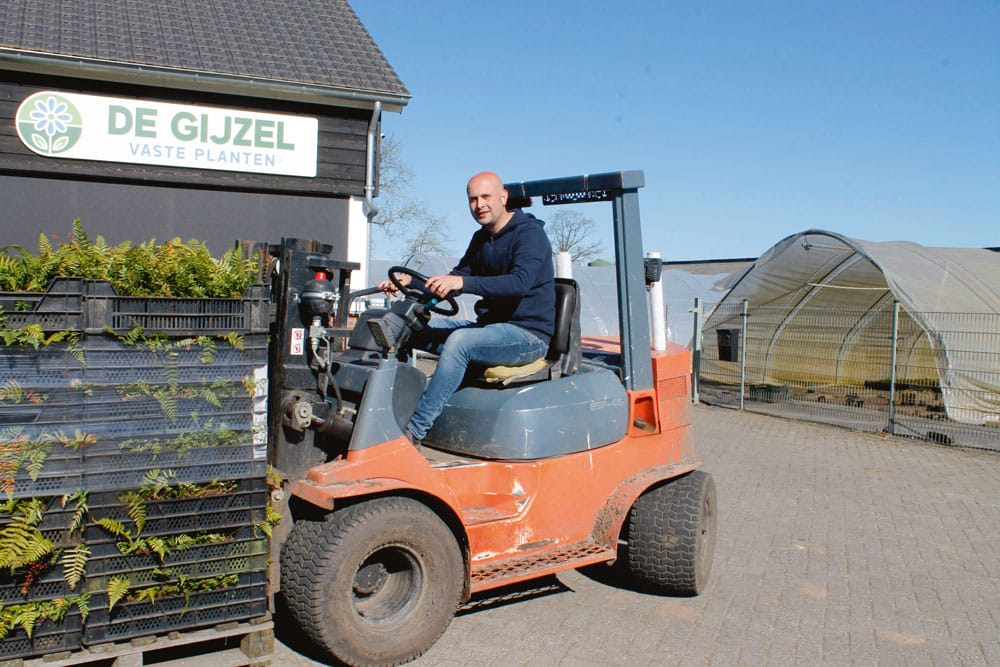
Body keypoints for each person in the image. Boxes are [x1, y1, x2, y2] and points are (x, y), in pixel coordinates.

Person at [382, 171, 555, 447]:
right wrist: (411, 281)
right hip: (489, 331)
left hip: (527, 335)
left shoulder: (530, 235)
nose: (479, 205)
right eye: (473, 199)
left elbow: (519, 283)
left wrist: (462, 281)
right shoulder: (481, 239)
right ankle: (388, 412)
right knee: (407, 329)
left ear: (503, 197)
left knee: (460, 342)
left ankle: (414, 432)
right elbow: (456, 278)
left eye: (486, 197)